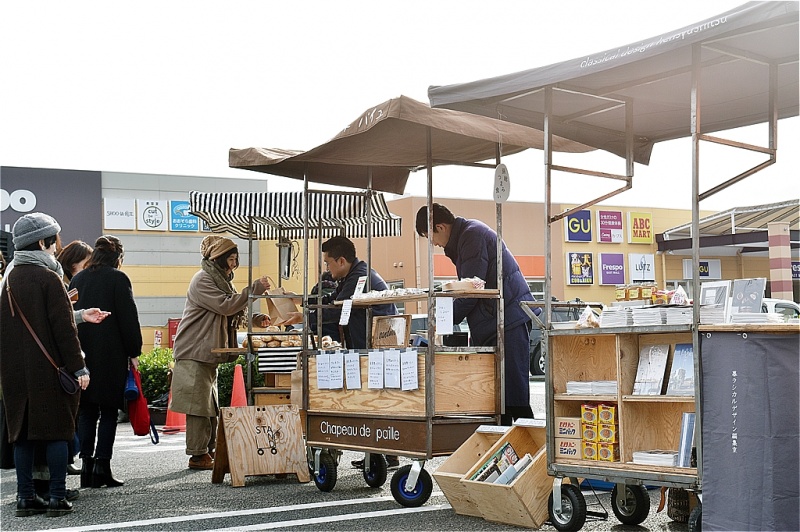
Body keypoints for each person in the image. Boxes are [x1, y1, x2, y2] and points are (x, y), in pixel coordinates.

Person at [0, 212, 90, 517]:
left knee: (22, 434)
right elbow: (65, 331)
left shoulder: (8, 279)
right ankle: (55, 497)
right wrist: (79, 368)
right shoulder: (48, 277)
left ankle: (25, 498)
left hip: (14, 372)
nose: (56, 247)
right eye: (54, 241)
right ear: (42, 241)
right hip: (49, 371)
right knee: (57, 432)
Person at [416, 203, 535, 425]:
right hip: (496, 318)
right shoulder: (465, 237)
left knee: (512, 393)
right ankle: (511, 450)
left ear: (439, 227)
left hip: (507, 318)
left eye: (428, 235)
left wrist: (442, 323)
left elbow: (472, 289)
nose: (432, 243)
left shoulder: (471, 236)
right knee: (498, 395)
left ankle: (534, 451)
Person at [169, 236, 271, 471]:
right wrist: (253, 290)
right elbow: (226, 306)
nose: (233, 264)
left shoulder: (221, 280)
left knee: (207, 403)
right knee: (197, 406)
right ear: (218, 259)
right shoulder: (203, 280)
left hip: (206, 351)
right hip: (194, 350)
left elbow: (233, 309)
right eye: (230, 259)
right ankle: (197, 454)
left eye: (236, 259)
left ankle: (208, 449)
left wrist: (256, 318)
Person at [309, 236, 400, 469]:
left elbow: (338, 309)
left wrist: (306, 316)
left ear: (341, 260)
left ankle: (386, 455)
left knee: (378, 401)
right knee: (374, 401)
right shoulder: (354, 275)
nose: (327, 269)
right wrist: (308, 304)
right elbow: (334, 301)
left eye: (328, 263)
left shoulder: (360, 276)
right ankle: (378, 454)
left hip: (377, 350)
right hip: (370, 348)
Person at [69, 235, 141, 488]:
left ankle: (87, 468)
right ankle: (103, 466)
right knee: (109, 410)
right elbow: (127, 317)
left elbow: (68, 318)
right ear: (118, 258)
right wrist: (134, 351)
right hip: (111, 354)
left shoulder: (78, 279)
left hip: (83, 354)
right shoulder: (118, 278)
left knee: (87, 411)